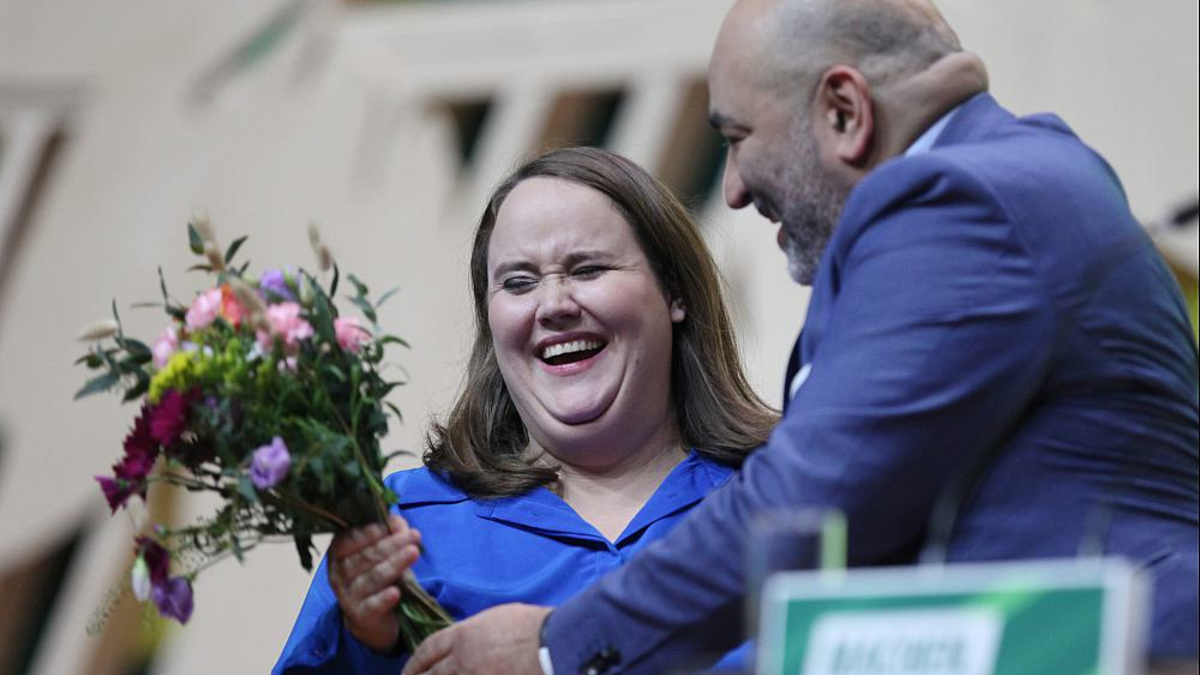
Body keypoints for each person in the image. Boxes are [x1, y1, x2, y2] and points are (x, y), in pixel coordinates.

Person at [401, 1, 1200, 673]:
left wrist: (554, 646)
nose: (733, 188)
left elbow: (809, 507)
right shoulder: (1011, 177)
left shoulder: (957, 204)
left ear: (844, 112)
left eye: (738, 137)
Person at [272, 146, 778, 673]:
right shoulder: (405, 532)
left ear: (674, 291)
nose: (554, 304)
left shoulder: (788, 493)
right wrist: (369, 645)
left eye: (588, 269)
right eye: (518, 282)